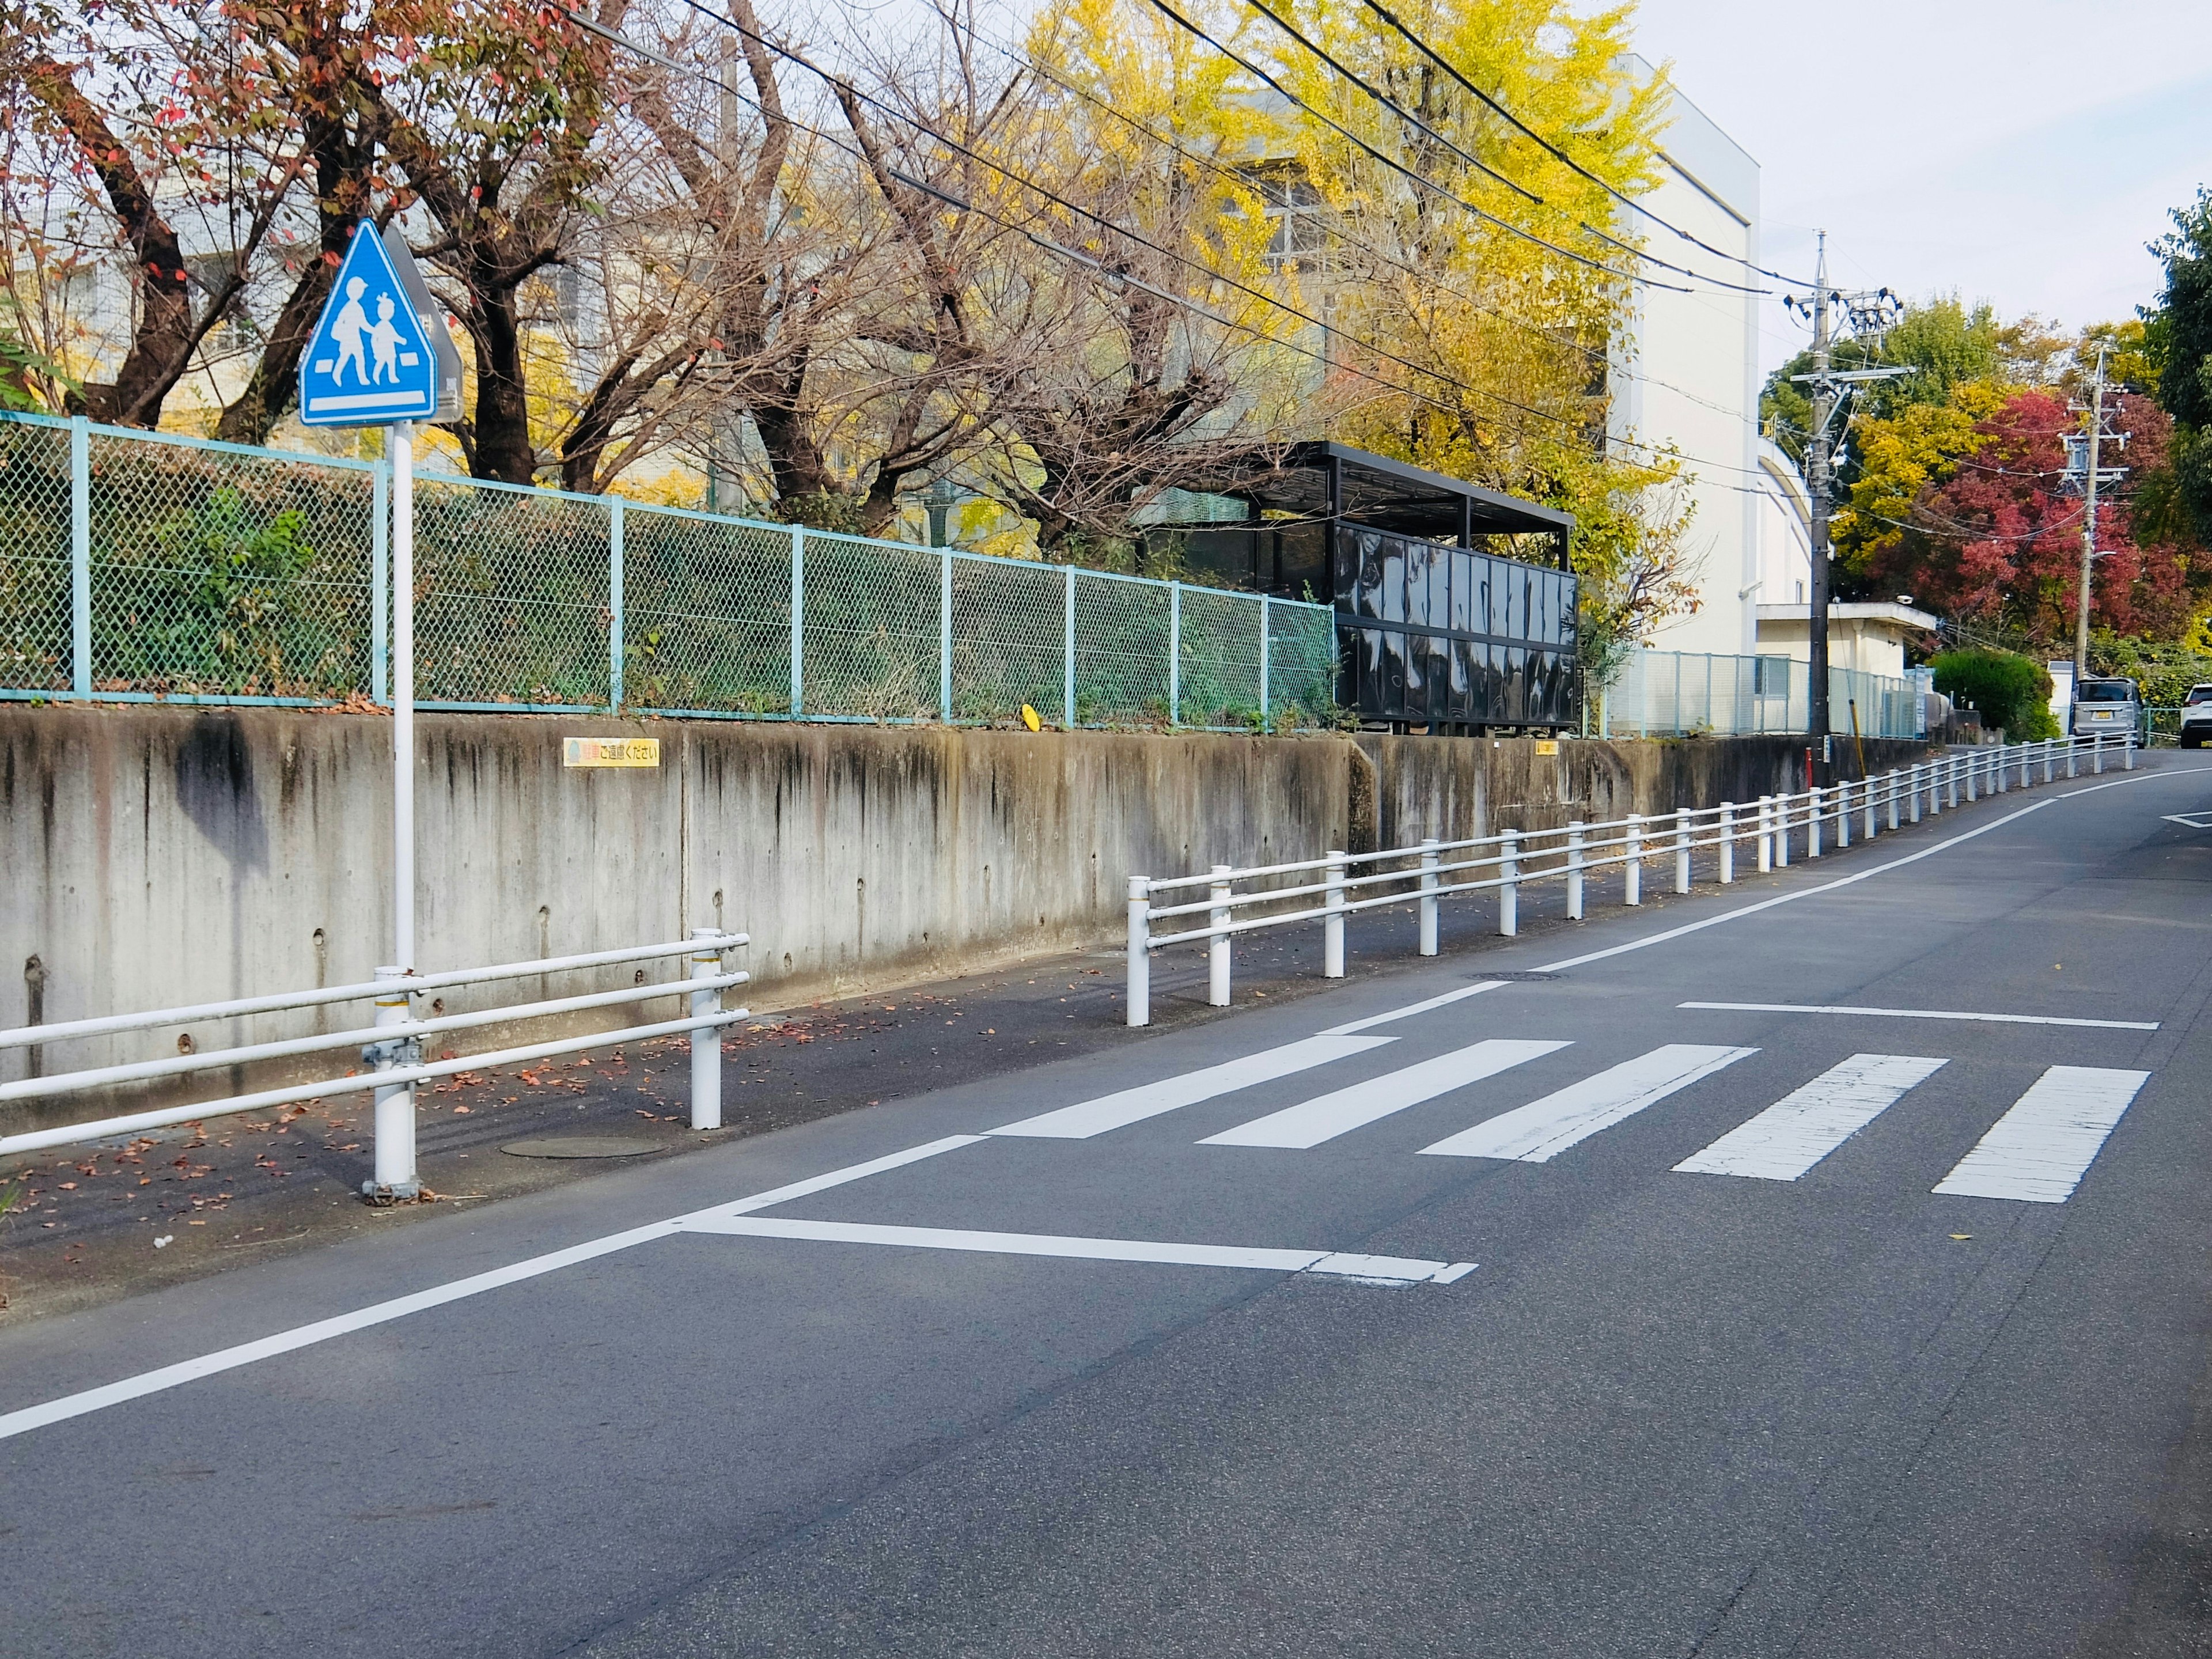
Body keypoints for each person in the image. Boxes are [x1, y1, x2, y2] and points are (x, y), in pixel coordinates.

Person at [369, 293, 405, 385]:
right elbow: (374, 339)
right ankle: (376, 375)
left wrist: (401, 340)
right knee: (381, 362)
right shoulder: (381, 326)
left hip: (390, 350)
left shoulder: (388, 325)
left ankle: (392, 377)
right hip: (382, 350)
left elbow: (394, 336)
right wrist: (375, 350)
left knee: (391, 363)